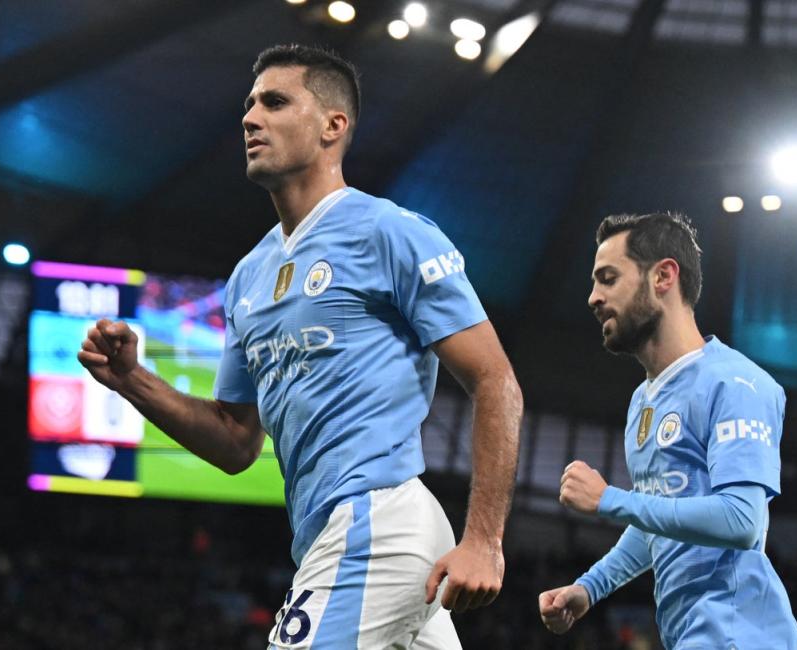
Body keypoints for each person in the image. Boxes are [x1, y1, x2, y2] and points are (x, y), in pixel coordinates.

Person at [78, 44, 523, 649]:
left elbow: (495, 379)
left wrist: (484, 540)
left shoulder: (391, 232)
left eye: (275, 102)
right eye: (250, 104)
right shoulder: (248, 277)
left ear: (332, 127)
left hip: (377, 519)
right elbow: (236, 441)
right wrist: (133, 379)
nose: (250, 117)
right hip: (326, 534)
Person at [538, 213, 797, 649]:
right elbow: (658, 520)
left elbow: (741, 519)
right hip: (689, 635)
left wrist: (610, 500)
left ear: (663, 275)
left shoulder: (736, 382)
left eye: (608, 278)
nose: (592, 297)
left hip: (742, 636)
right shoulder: (643, 401)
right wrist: (590, 587)